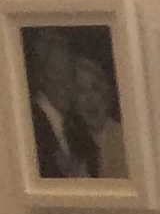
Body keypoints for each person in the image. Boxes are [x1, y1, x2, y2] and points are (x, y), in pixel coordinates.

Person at [23, 29, 97, 178]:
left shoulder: (78, 129)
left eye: (68, 73)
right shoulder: (29, 126)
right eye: (57, 74)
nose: (67, 85)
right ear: (41, 76)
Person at [71, 52, 128, 182]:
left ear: (106, 92)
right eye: (81, 91)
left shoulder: (125, 137)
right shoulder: (69, 143)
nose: (90, 98)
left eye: (95, 89)